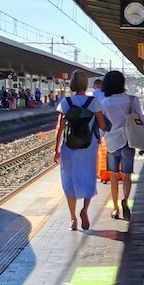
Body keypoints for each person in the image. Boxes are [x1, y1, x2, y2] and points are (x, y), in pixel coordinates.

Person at [53, 70, 106, 231]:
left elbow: (59, 128)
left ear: (72, 84)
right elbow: (103, 125)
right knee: (88, 177)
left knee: (69, 181)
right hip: (89, 147)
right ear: (86, 85)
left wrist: (56, 149)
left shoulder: (65, 102)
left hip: (69, 147)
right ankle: (84, 210)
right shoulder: (94, 102)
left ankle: (72, 219)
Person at [99, 70, 143, 221]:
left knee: (113, 176)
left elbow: (102, 126)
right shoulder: (132, 100)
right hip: (128, 142)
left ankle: (115, 209)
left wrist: (99, 138)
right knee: (126, 175)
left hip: (112, 143)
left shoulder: (104, 103)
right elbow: (142, 120)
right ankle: (125, 200)